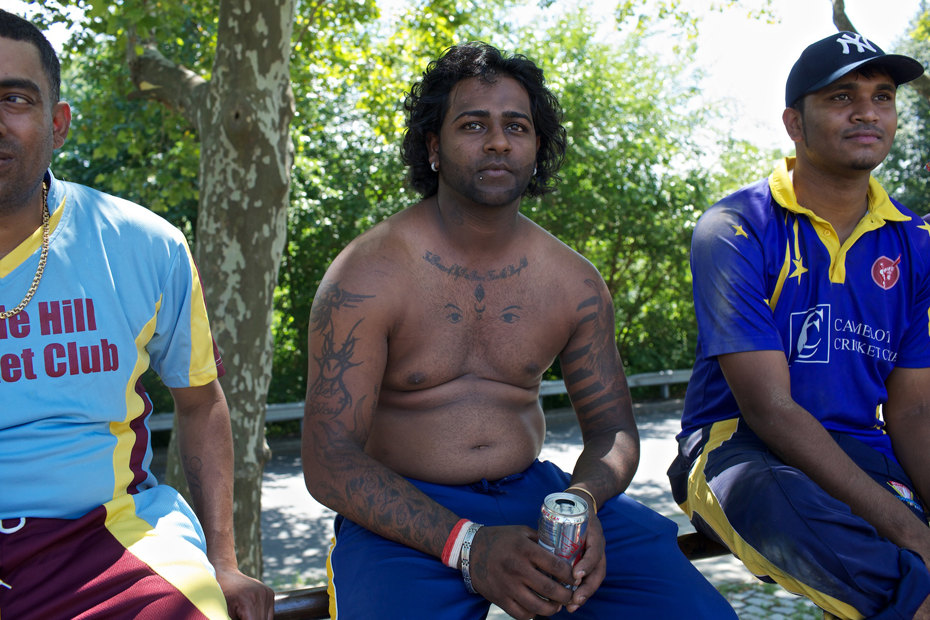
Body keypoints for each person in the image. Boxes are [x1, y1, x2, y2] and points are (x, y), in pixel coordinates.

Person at [301, 41, 735, 620]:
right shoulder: (367, 274)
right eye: (473, 125)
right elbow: (329, 460)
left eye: (517, 126)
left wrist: (583, 505)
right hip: (403, 514)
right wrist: (469, 545)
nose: (499, 142)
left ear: (537, 147)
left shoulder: (573, 282)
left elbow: (613, 433)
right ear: (434, 146)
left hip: (541, 500)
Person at [0, 10, 273, 620]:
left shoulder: (140, 243)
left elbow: (201, 402)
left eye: (14, 98)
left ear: (58, 123)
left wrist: (224, 564)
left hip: (107, 539)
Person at [668, 31, 930, 619]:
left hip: (862, 449)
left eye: (883, 96)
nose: (867, 111)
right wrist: (915, 535)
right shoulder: (735, 226)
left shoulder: (916, 243)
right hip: (738, 448)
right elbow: (770, 410)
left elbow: (913, 411)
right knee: (896, 571)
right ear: (794, 122)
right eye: (841, 97)